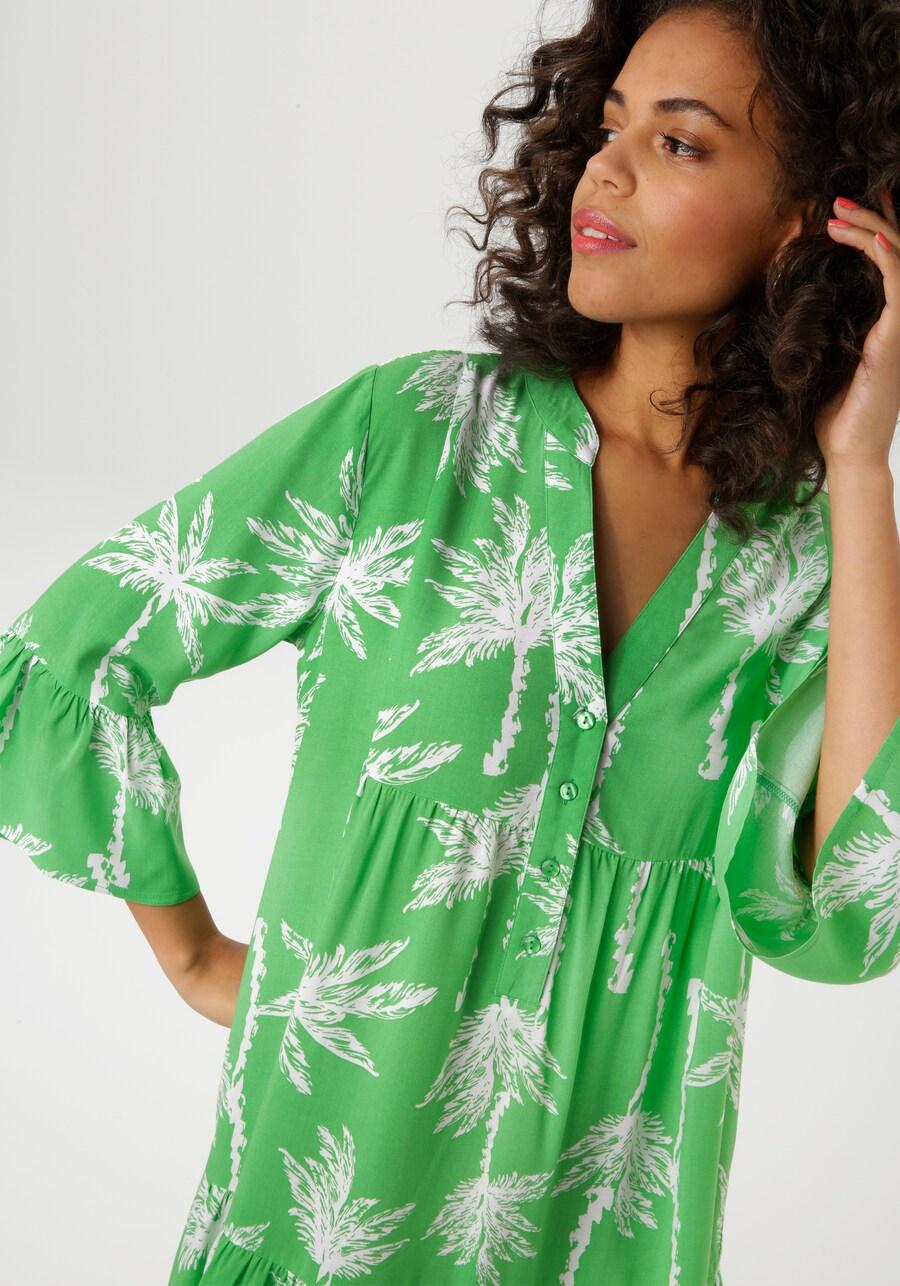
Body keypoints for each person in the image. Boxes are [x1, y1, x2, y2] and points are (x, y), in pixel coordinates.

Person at [2, 1, 899, 1282]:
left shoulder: (801, 559)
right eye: (610, 125)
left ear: (806, 218)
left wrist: (861, 469)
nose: (607, 169)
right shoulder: (412, 440)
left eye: (680, 142)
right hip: (314, 1233)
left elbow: (858, 907)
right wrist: (196, 953)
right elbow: (70, 658)